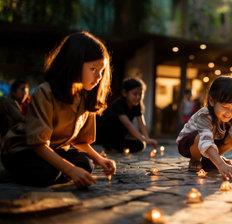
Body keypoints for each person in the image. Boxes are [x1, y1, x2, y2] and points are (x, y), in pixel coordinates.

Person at [1, 31, 116, 188]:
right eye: (93, 69)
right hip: (23, 150)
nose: (99, 77)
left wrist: (100, 160)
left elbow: (80, 141)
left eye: (102, 71)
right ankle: (12, 172)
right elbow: (38, 144)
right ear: (74, 64)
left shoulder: (86, 97)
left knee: (86, 164)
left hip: (53, 150)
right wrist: (70, 170)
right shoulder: (46, 92)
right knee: (49, 173)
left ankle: (55, 171)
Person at [176, 76, 232, 180]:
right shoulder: (204, 116)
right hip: (189, 145)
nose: (229, 112)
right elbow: (205, 141)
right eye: (225, 107)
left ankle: (210, 160)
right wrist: (220, 164)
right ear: (212, 101)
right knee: (200, 138)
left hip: (211, 142)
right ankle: (195, 159)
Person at [97, 78, 158, 153]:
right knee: (138, 142)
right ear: (124, 93)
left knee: (140, 145)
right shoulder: (118, 105)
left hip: (120, 138)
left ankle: (118, 148)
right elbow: (128, 124)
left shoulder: (136, 105)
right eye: (135, 94)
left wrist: (148, 139)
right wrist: (145, 139)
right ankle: (111, 148)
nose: (138, 97)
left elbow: (141, 123)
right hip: (107, 135)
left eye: (140, 94)